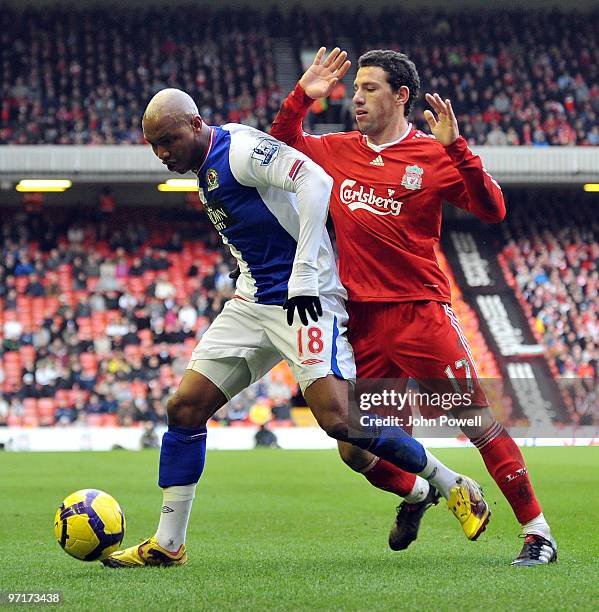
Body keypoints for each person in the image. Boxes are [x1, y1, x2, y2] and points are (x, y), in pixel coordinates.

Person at [103, 88, 489, 568]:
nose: (162, 154)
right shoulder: (204, 169)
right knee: (184, 408)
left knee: (340, 423)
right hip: (252, 302)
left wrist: (305, 269)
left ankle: (453, 484)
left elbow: (314, 180)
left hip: (306, 302)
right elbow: (260, 223)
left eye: (168, 140)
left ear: (197, 123)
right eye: (154, 146)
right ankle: (168, 543)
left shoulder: (241, 150)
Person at [270, 47, 556, 566]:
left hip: (420, 312)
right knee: (354, 447)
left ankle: (538, 534)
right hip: (360, 320)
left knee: (476, 422)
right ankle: (421, 492)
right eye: (355, 88)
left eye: (370, 88)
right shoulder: (336, 150)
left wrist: (459, 149)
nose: (356, 97)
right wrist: (300, 98)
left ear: (401, 96)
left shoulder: (434, 155)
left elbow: (493, 209)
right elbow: (279, 148)